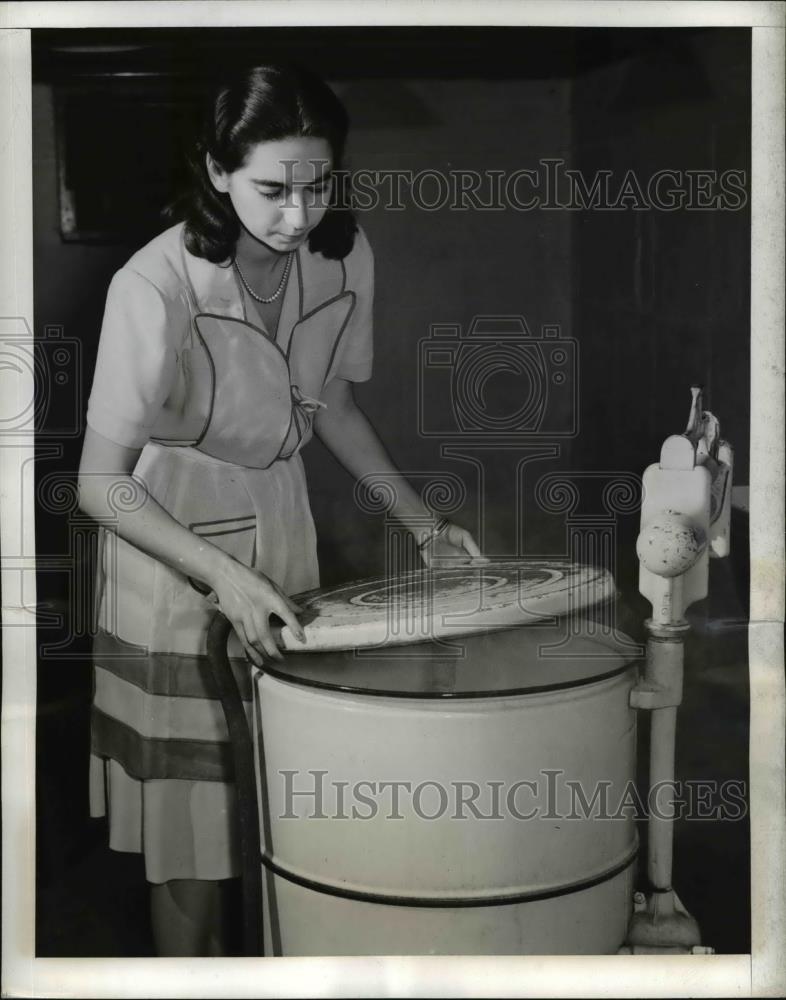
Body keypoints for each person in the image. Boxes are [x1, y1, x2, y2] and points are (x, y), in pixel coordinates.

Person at [77, 63, 483, 957]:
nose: (297, 214)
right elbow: (99, 484)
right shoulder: (154, 284)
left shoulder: (344, 254)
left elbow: (330, 401)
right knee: (189, 827)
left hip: (279, 521)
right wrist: (223, 578)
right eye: (270, 188)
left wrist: (424, 524)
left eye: (318, 183)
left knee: (279, 796)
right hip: (170, 535)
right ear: (218, 172)